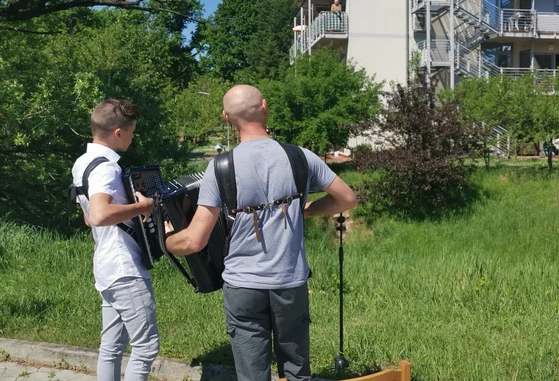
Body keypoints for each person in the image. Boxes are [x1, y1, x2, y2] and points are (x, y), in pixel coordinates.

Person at [166, 85, 358, 381]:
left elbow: (194, 240)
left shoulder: (219, 168)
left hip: (242, 286)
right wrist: (305, 209)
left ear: (226, 118)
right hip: (289, 282)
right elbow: (347, 199)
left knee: (252, 376)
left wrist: (165, 240)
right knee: (297, 371)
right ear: (265, 107)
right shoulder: (300, 157)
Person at [71, 99, 159, 381]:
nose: (133, 137)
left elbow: (88, 216)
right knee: (145, 348)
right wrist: (143, 208)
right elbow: (98, 215)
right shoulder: (107, 167)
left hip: (106, 266)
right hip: (125, 268)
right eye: (132, 131)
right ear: (118, 132)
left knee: (111, 347)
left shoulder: (83, 162)